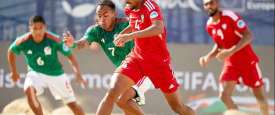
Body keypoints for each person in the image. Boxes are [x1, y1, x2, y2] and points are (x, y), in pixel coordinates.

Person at [95, 0, 195, 115]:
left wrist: (130, 36)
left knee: (178, 107)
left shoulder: (150, 5)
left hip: (158, 63)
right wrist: (122, 34)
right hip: (136, 58)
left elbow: (158, 28)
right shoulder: (129, 7)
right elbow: (134, 25)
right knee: (113, 94)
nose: (125, 1)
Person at [63, 0, 153, 114]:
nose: (102, 19)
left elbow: (148, 27)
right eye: (99, 15)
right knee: (118, 100)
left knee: (120, 99)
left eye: (106, 15)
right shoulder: (96, 31)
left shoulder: (126, 24)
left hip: (143, 69)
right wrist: (73, 44)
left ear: (114, 14)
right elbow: (83, 43)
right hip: (125, 72)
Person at [199, 0, 269, 115]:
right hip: (231, 64)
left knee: (260, 97)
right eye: (205, 4)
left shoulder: (229, 16)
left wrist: (231, 51)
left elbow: (248, 35)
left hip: (247, 61)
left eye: (211, 3)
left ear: (217, 3)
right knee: (224, 96)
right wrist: (208, 56)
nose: (208, 6)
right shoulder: (209, 25)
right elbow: (219, 44)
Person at [7, 16, 86, 115]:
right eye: (35, 28)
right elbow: (11, 51)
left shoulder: (54, 40)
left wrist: (77, 73)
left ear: (45, 27)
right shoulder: (23, 41)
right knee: (29, 90)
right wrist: (14, 72)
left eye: (40, 28)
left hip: (56, 74)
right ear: (30, 28)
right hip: (35, 73)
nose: (38, 31)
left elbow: (70, 56)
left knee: (72, 104)